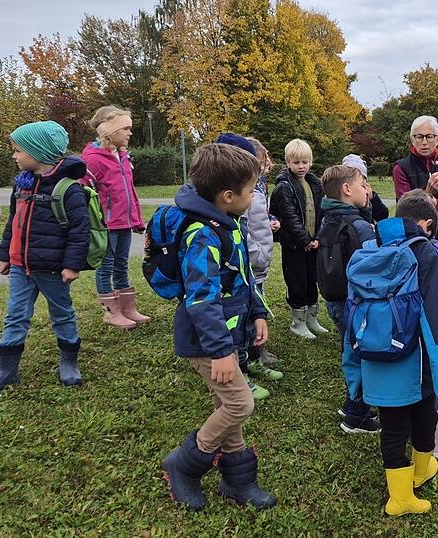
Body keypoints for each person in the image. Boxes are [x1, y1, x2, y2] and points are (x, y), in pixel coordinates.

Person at [161, 143, 274, 511]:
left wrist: (257, 311)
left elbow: (243, 277)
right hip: (207, 342)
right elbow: (201, 299)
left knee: (225, 401)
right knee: (240, 404)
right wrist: (221, 351)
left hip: (227, 337)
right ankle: (185, 464)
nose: (255, 195)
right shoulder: (203, 235)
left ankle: (237, 481)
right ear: (228, 195)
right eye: (252, 189)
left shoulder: (229, 224)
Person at [341, 215, 438, 517]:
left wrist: (352, 372)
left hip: (373, 358)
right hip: (415, 360)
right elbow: (436, 316)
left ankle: (403, 489)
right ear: (422, 223)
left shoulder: (365, 253)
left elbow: (350, 317)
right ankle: (415, 478)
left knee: (392, 426)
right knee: (424, 413)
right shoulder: (423, 252)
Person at [0, 121, 90, 394]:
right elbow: (13, 222)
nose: (14, 155)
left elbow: (80, 232)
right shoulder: (21, 186)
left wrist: (72, 265)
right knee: (15, 315)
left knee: (62, 314)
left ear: (39, 151)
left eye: (18, 150)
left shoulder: (69, 189)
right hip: (22, 267)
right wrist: (6, 255)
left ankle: (69, 362)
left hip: (53, 270)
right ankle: (5, 368)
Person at [395, 190, 438, 460]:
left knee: (415, 371)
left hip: (402, 323)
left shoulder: (389, 248)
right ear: (428, 224)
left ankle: (412, 428)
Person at [212, 133, 283, 401]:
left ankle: (250, 361)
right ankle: (239, 373)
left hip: (251, 267)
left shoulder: (247, 197)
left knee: (249, 317)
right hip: (235, 276)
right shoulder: (215, 220)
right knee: (234, 324)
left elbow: (258, 219)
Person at [316, 164, 381, 434]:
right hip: (357, 304)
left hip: (334, 299)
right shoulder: (359, 226)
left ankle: (351, 402)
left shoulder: (329, 218)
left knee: (349, 349)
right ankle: (357, 414)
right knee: (360, 355)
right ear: (346, 189)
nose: (367, 190)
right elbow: (376, 266)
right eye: (362, 185)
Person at [82, 106, 149, 330]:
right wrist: (96, 220)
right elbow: (84, 192)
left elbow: (129, 190)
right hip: (106, 226)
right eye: (126, 128)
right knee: (106, 265)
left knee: (121, 264)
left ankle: (128, 308)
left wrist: (136, 219)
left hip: (124, 222)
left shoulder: (122, 156)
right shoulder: (92, 160)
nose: (130, 133)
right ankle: (112, 312)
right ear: (110, 130)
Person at [270, 139, 328, 339]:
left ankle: (312, 317)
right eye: (296, 162)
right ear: (288, 162)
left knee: (313, 279)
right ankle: (298, 322)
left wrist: (318, 237)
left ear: (310, 162)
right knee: (297, 281)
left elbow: (322, 213)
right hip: (295, 244)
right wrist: (304, 240)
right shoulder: (284, 187)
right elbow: (290, 217)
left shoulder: (315, 184)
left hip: (314, 243)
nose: (301, 166)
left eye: (305, 162)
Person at [392, 115, 438, 256]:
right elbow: (404, 209)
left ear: (437, 139)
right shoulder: (401, 167)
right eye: (419, 137)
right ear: (412, 140)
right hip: (414, 243)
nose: (424, 142)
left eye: (429, 136)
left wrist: (435, 202)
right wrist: (427, 193)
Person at [244, 137, 281, 369]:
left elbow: (260, 216)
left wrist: (272, 220)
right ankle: (252, 355)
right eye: (262, 161)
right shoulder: (245, 191)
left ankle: (258, 351)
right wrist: (255, 252)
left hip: (260, 260)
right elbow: (242, 226)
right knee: (250, 309)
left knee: (258, 305)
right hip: (251, 261)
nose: (267, 164)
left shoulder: (259, 186)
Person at [342, 154, 389, 224]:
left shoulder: (368, 194)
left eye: (362, 178)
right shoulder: (341, 195)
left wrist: (372, 198)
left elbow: (383, 216)